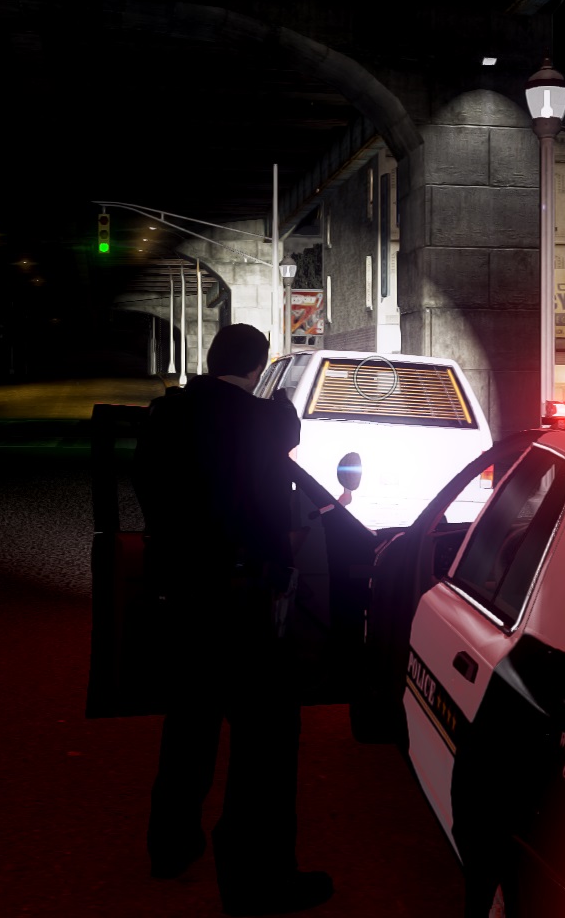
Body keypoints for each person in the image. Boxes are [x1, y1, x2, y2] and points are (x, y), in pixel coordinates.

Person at [136, 323, 332, 916]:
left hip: (182, 596)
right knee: (265, 743)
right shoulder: (263, 418)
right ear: (256, 367)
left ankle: (170, 846)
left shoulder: (166, 415)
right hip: (248, 601)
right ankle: (258, 878)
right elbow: (288, 431)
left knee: (188, 724)